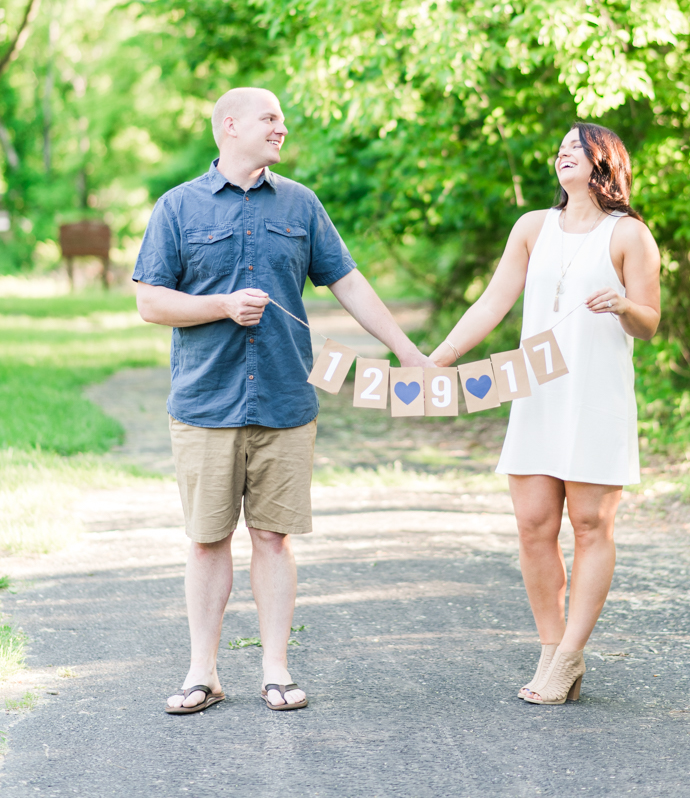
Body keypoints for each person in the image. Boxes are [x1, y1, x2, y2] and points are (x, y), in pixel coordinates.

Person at [134, 87, 429, 714]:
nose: (281, 127)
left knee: (273, 538)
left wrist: (406, 350)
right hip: (205, 404)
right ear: (229, 126)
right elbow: (150, 301)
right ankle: (202, 672)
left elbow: (348, 281)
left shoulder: (301, 203)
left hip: (286, 401)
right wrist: (220, 306)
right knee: (208, 541)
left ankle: (275, 670)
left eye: (282, 119)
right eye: (270, 118)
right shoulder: (178, 208)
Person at [430, 122, 660, 705]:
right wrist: (443, 356)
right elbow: (493, 299)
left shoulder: (629, 235)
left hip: (596, 395)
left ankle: (571, 654)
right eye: (558, 149)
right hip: (536, 391)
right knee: (534, 525)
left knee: (590, 525)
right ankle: (550, 646)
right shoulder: (532, 227)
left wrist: (625, 305)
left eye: (575, 150)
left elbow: (650, 323)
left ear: (603, 163)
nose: (563, 156)